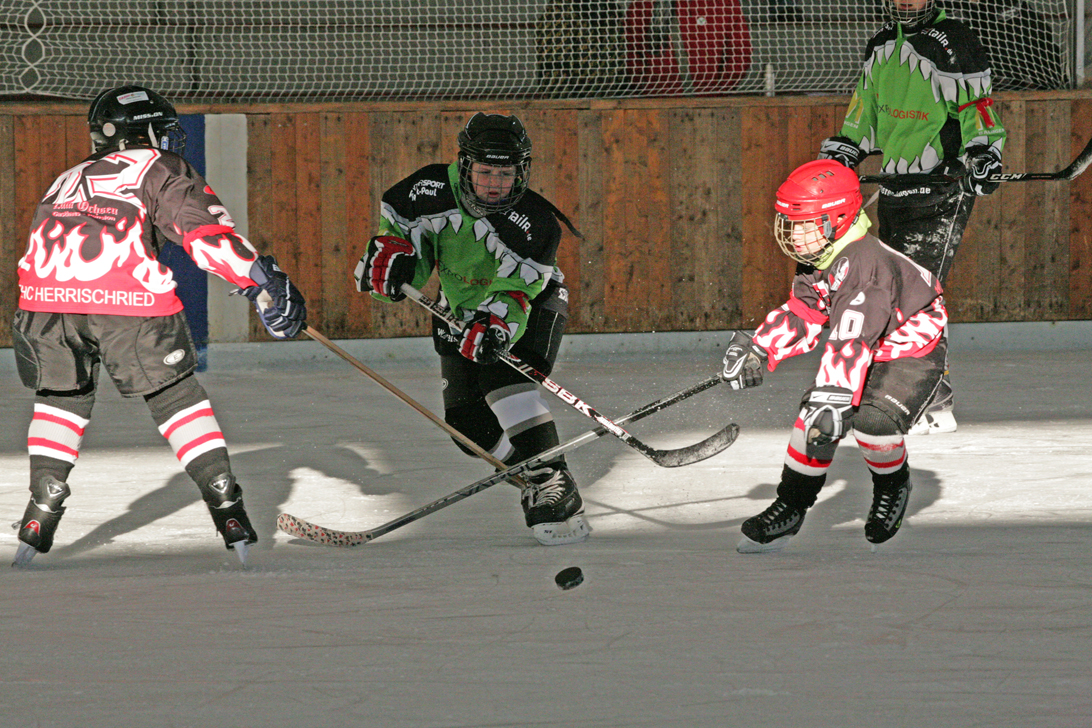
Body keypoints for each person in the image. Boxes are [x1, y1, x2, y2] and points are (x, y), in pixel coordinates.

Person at [11, 85, 306, 566]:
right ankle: (225, 502)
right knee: (174, 395)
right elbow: (204, 235)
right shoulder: (159, 167)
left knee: (62, 399)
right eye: (161, 130)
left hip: (44, 305)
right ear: (143, 131)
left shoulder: (65, 177)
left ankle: (40, 507)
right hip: (124, 299)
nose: (168, 140)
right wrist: (260, 279)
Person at [354, 112, 589, 546]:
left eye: (505, 172)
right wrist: (388, 266)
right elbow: (407, 251)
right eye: (485, 171)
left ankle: (555, 481)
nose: (495, 183)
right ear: (464, 165)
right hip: (458, 306)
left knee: (502, 380)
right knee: (466, 426)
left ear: (522, 172)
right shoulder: (425, 190)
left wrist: (497, 325)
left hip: (528, 307)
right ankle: (533, 476)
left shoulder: (536, 220)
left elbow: (518, 291)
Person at [721, 160, 948, 553]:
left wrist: (833, 397)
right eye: (791, 223)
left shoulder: (865, 268)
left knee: (872, 422)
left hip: (910, 345)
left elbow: (851, 342)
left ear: (839, 219)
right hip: (866, 339)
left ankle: (893, 484)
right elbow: (806, 311)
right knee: (817, 417)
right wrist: (759, 347)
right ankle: (791, 506)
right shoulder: (822, 255)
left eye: (806, 224)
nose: (795, 235)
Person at [817, 0, 1007, 434]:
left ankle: (933, 402)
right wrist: (848, 147)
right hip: (896, 184)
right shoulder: (881, 45)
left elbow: (978, 108)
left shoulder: (956, 41)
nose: (907, 1)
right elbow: (864, 112)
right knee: (886, 291)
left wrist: (983, 152)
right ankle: (900, 392)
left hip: (943, 186)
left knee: (916, 295)